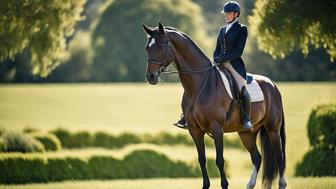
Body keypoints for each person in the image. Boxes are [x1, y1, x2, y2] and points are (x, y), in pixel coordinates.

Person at [174, 1, 252, 131]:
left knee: (242, 89)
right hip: (219, 63)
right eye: (226, 13)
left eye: (229, 13)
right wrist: (216, 57)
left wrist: (223, 58)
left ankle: (246, 119)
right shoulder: (222, 30)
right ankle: (186, 115)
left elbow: (239, 51)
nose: (227, 15)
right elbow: (217, 49)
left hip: (234, 65)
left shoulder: (242, 29)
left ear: (236, 14)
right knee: (200, 84)